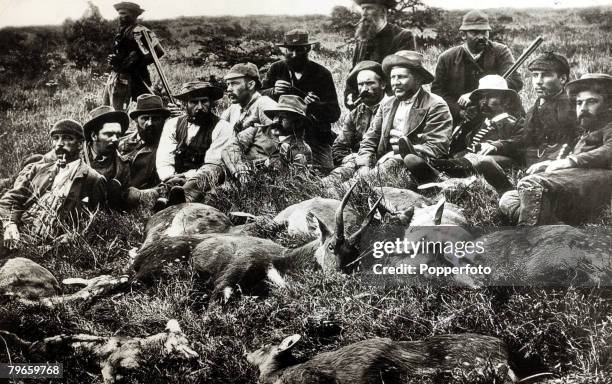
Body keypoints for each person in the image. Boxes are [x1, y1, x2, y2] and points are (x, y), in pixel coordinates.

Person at [499, 74, 612, 225]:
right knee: (509, 197)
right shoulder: (587, 132)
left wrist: (570, 161)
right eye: (579, 103)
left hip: (601, 182)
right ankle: (555, 228)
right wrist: (549, 164)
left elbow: (609, 150)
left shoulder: (609, 126)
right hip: (578, 184)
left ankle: (528, 236)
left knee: (531, 184)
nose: (583, 108)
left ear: (609, 105)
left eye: (592, 102)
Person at [0, 119, 106, 254]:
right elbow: (11, 198)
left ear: (80, 144)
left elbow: (96, 220)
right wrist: (10, 225)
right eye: (56, 138)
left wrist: (72, 236)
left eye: (67, 138)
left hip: (52, 246)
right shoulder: (37, 169)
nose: (59, 144)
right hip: (18, 231)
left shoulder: (93, 179)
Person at [355, 51, 453, 183]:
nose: (395, 83)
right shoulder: (387, 104)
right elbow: (370, 139)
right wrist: (364, 165)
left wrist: (396, 153)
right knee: (345, 171)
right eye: (392, 77)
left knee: (366, 182)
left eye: (401, 77)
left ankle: (353, 190)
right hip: (381, 160)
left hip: (414, 166)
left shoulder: (436, 105)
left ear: (418, 79)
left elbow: (436, 147)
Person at [425, 75, 522, 193]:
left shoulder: (515, 123)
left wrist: (496, 145)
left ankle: (434, 167)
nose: (484, 102)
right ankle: (434, 168)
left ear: (505, 100)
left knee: (481, 160)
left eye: (490, 96)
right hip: (471, 162)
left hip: (500, 163)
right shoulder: (478, 124)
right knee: (459, 157)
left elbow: (521, 141)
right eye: (481, 98)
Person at [261, 29, 341, 172]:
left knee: (323, 172)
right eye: (290, 50)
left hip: (315, 136)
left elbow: (334, 113)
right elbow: (259, 96)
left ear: (308, 49)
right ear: (284, 49)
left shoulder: (322, 74)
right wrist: (273, 91)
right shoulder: (277, 69)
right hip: (280, 133)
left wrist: (316, 105)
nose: (294, 55)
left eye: (300, 50)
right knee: (268, 170)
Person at [431, 10, 523, 125]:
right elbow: (437, 92)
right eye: (475, 32)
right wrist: (459, 111)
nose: (481, 37)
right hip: (460, 118)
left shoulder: (501, 52)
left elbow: (515, 81)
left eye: (484, 32)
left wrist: (475, 95)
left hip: (499, 116)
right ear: (463, 35)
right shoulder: (446, 58)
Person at [156, 81, 233, 205]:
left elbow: (212, 165)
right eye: (194, 102)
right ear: (185, 104)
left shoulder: (223, 127)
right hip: (173, 180)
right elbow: (164, 159)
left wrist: (185, 178)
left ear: (211, 103)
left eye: (204, 101)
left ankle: (179, 198)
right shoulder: (173, 124)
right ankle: (150, 196)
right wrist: (170, 177)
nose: (200, 107)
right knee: (144, 195)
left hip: (203, 183)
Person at [222, 95, 313, 185]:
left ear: (297, 122)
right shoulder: (257, 130)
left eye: (283, 117)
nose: (276, 120)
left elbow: (299, 180)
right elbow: (231, 148)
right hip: (238, 181)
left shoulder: (303, 149)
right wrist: (241, 170)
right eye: (275, 116)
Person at [509, 52, 577, 167]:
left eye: (546, 75)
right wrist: (499, 145)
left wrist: (551, 162)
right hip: (530, 163)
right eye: (535, 75)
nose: (538, 81)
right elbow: (525, 139)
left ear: (563, 79)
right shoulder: (534, 108)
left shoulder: (570, 108)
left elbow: (573, 142)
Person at [345, 0, 413, 108]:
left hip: (392, 105)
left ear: (382, 11)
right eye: (363, 9)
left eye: (369, 8)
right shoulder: (361, 40)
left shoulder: (402, 36)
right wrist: (349, 95)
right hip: (362, 105)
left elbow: (405, 76)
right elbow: (353, 71)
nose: (364, 13)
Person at [329, 61, 386, 180]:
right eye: (361, 84)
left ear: (383, 84)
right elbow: (339, 147)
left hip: (383, 164)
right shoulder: (354, 115)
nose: (364, 89)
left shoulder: (394, 109)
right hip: (356, 163)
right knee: (332, 180)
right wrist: (351, 159)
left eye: (370, 83)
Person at [103, 2, 165, 111]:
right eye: (119, 14)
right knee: (107, 109)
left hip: (132, 78)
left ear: (134, 15)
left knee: (120, 112)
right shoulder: (123, 31)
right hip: (118, 76)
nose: (120, 17)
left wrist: (135, 64)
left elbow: (159, 51)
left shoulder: (139, 31)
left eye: (123, 13)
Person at [119, 94, 171, 206]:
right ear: (136, 121)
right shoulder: (121, 140)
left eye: (155, 118)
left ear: (163, 121)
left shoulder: (167, 147)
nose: (150, 123)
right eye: (145, 118)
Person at [83, 106, 131, 209]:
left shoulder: (123, 165)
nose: (115, 139)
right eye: (109, 134)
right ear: (94, 136)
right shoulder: (77, 157)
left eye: (118, 135)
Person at [221, 62, 277, 133]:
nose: (228, 89)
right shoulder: (234, 107)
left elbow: (275, 137)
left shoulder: (264, 104)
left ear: (251, 85)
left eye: (234, 83)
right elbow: (219, 128)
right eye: (228, 84)